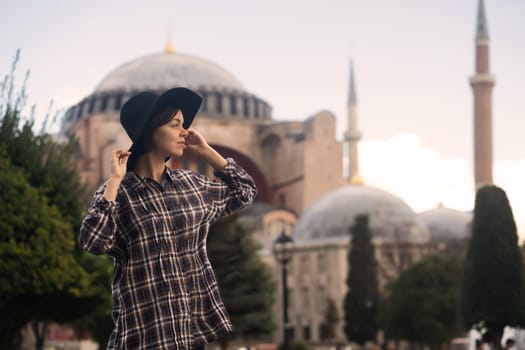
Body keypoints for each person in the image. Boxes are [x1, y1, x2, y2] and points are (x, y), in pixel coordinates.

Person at [79, 87, 257, 349]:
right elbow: (93, 241)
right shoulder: (119, 193)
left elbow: (245, 190)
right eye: (175, 125)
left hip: (190, 336)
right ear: (150, 131)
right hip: (144, 336)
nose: (184, 131)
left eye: (183, 125)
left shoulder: (192, 185)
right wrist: (115, 181)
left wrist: (207, 151)